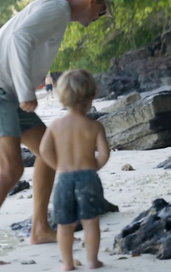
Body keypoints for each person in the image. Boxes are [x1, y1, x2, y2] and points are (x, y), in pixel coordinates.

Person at [0, 0, 114, 267]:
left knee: (49, 151)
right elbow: (20, 38)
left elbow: (24, 42)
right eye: (103, 11)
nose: (100, 17)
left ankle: (40, 228)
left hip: (6, 90)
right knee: (10, 169)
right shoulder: (56, 9)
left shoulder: (59, 15)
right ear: (93, 0)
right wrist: (25, 91)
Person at [39, 69, 110, 271]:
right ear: (91, 96)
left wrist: (58, 166)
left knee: (64, 224)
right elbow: (104, 154)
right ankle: (92, 261)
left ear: (62, 97)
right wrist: (93, 167)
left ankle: (68, 263)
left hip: (64, 178)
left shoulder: (55, 126)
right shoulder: (94, 126)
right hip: (88, 177)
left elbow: (44, 150)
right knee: (91, 221)